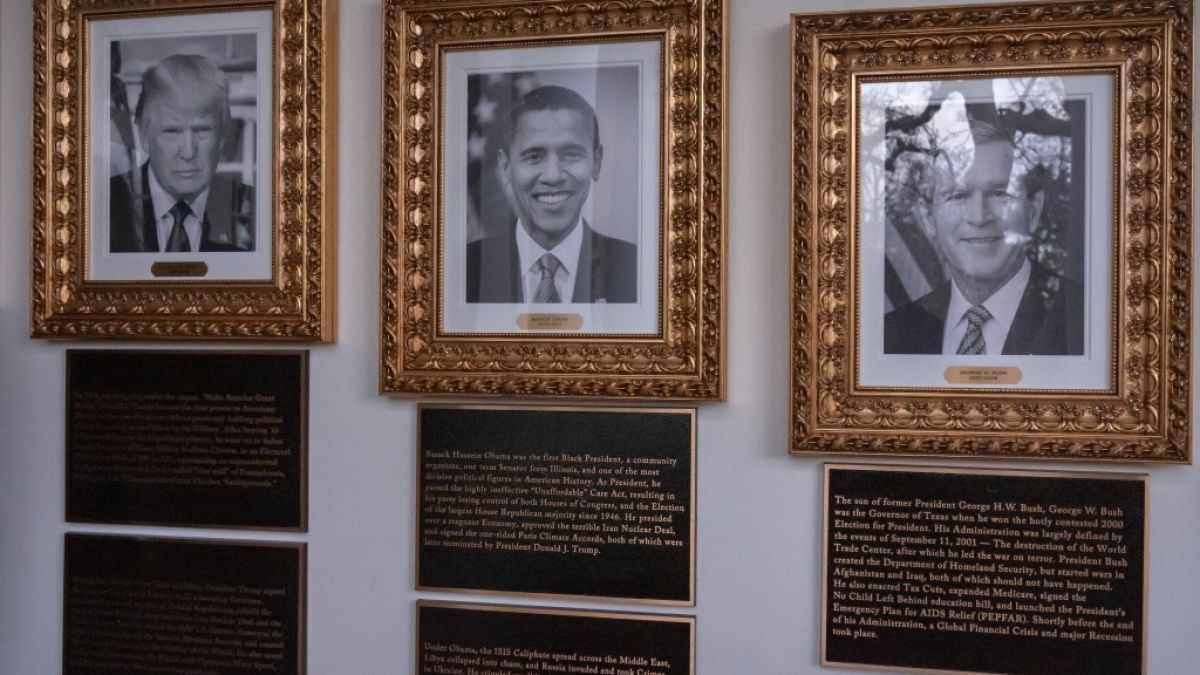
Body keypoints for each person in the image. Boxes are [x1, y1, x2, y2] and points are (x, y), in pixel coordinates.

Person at [884, 120, 1083, 355]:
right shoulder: (895, 334)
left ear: (1034, 210)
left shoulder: (1086, 318)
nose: (978, 217)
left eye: (999, 193)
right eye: (958, 195)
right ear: (928, 217)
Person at [466, 85, 636, 303]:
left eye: (571, 154)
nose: (553, 176)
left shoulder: (638, 268)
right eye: (534, 156)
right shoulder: (464, 269)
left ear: (596, 162)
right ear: (506, 166)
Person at [109, 53, 252, 253]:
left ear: (223, 135)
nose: (187, 152)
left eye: (202, 130)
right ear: (144, 135)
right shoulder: (102, 207)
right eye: (171, 131)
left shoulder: (257, 213)